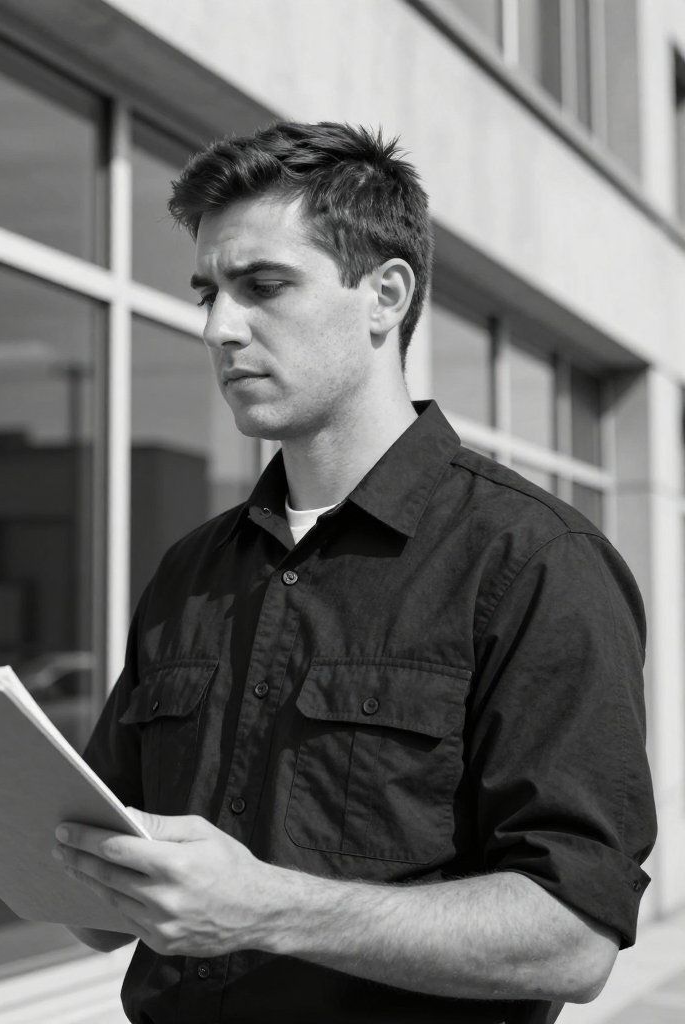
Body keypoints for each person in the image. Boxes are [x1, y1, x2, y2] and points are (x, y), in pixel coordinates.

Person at [52, 122, 657, 1024]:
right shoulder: (194, 572)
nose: (220, 327)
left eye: (263, 286)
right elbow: (102, 906)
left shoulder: (534, 562)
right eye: (208, 293)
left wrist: (268, 909)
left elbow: (572, 938)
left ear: (385, 295)